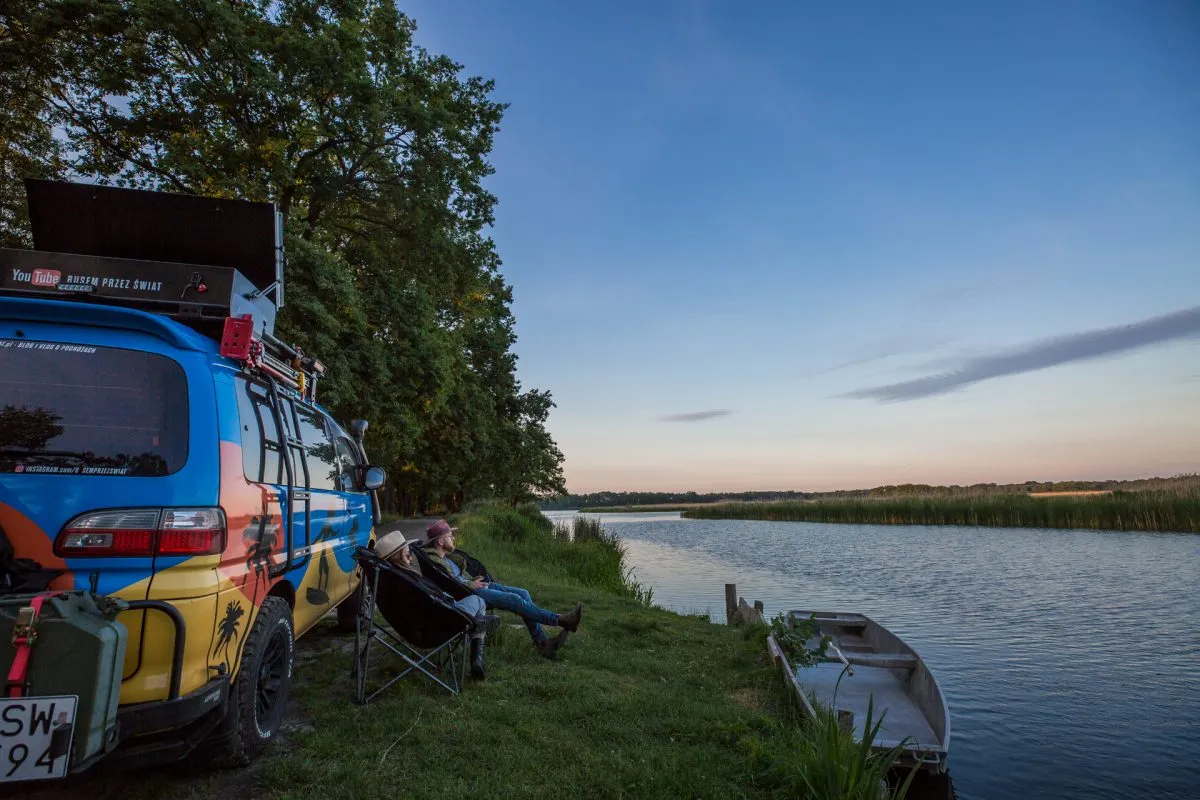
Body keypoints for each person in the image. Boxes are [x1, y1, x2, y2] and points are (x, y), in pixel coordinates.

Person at [421, 519, 581, 659]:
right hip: (467, 593)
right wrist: (470, 584)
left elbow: (455, 578)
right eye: (450, 536)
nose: (453, 538)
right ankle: (560, 620)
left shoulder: (445, 557)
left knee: (523, 593)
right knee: (514, 599)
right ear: (440, 542)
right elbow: (450, 584)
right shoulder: (435, 560)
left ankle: (541, 641)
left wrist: (471, 580)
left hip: (471, 585)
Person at [374, 529, 498, 680]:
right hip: (437, 626)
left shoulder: (394, 578)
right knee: (478, 601)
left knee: (475, 606)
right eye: (408, 553)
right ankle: (476, 641)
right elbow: (428, 602)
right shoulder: (407, 580)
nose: (411, 557)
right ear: (402, 555)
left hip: (422, 624)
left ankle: (477, 629)